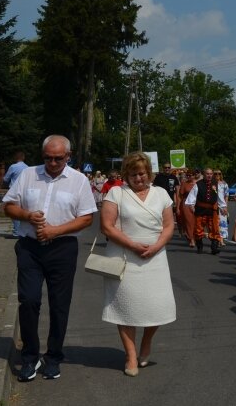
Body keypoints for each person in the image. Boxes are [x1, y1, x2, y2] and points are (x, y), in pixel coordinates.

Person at [2, 135, 97, 382]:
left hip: (62, 248)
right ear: (42, 155)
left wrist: (56, 230)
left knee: (59, 304)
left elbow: (87, 217)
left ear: (68, 156)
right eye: (47, 158)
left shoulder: (78, 180)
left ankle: (53, 356)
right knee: (29, 300)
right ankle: (30, 356)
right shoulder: (28, 175)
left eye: (58, 158)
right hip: (30, 248)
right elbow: (8, 206)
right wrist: (26, 215)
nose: (52, 163)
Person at [99, 152, 176, 377]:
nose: (138, 178)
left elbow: (169, 225)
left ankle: (147, 342)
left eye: (141, 173)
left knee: (158, 305)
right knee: (125, 307)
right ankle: (130, 354)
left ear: (148, 173)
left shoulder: (161, 193)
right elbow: (107, 226)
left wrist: (157, 246)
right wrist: (132, 245)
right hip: (124, 257)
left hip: (155, 257)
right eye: (133, 174)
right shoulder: (116, 193)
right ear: (126, 175)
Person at [185, 168, 223, 255]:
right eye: (207, 174)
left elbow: (220, 196)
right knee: (198, 230)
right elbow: (192, 196)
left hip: (212, 210)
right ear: (204, 174)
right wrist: (191, 205)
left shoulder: (216, 184)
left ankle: (214, 248)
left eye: (210, 174)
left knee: (214, 229)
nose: (209, 175)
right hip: (200, 210)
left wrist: (223, 207)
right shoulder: (198, 184)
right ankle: (200, 247)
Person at [2, 152, 29, 235]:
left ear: (15, 158)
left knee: (13, 209)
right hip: (25, 190)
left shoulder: (13, 167)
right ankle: (23, 229)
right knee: (23, 209)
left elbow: (6, 179)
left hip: (14, 190)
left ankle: (17, 230)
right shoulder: (27, 167)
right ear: (23, 158)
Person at [177, 170, 198, 246]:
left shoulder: (197, 184)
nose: (188, 177)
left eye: (190, 175)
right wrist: (178, 208)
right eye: (187, 175)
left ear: (194, 175)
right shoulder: (184, 184)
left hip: (196, 203)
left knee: (196, 222)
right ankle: (191, 239)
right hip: (186, 204)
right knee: (189, 221)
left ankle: (195, 237)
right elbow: (180, 197)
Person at [214, 170, 230, 245]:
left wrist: (226, 207)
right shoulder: (211, 184)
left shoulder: (224, 184)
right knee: (216, 223)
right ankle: (218, 239)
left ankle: (221, 240)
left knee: (223, 223)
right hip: (214, 205)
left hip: (222, 206)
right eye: (215, 173)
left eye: (219, 173)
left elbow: (226, 196)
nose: (217, 175)